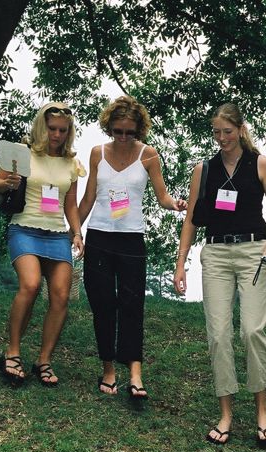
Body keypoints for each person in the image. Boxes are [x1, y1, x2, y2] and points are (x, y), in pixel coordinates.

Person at [173, 103, 266, 447]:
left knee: (251, 330)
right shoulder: (204, 170)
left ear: (240, 129)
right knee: (218, 335)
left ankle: (262, 411)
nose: (222, 138)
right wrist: (181, 263)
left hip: (254, 251)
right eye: (216, 133)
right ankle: (225, 414)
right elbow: (191, 220)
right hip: (217, 254)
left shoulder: (260, 163)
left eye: (227, 131)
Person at [78, 96, 186, 398]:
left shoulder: (149, 155)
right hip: (99, 235)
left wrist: (175, 204)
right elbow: (87, 199)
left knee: (131, 304)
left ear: (139, 130)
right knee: (102, 305)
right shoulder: (97, 153)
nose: (123, 137)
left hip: (131, 238)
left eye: (130, 132)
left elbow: (162, 195)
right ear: (109, 128)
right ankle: (109, 369)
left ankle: (135, 373)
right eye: (118, 131)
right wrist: (74, 230)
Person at [0, 102, 86, 387]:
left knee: (60, 296)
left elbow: (70, 203)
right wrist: (6, 183)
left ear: (68, 132)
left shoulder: (71, 163)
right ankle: (13, 352)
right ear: (41, 127)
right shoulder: (23, 153)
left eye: (62, 130)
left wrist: (77, 233)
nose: (56, 134)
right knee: (30, 285)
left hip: (56, 233)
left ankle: (44, 360)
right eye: (51, 128)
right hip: (24, 228)